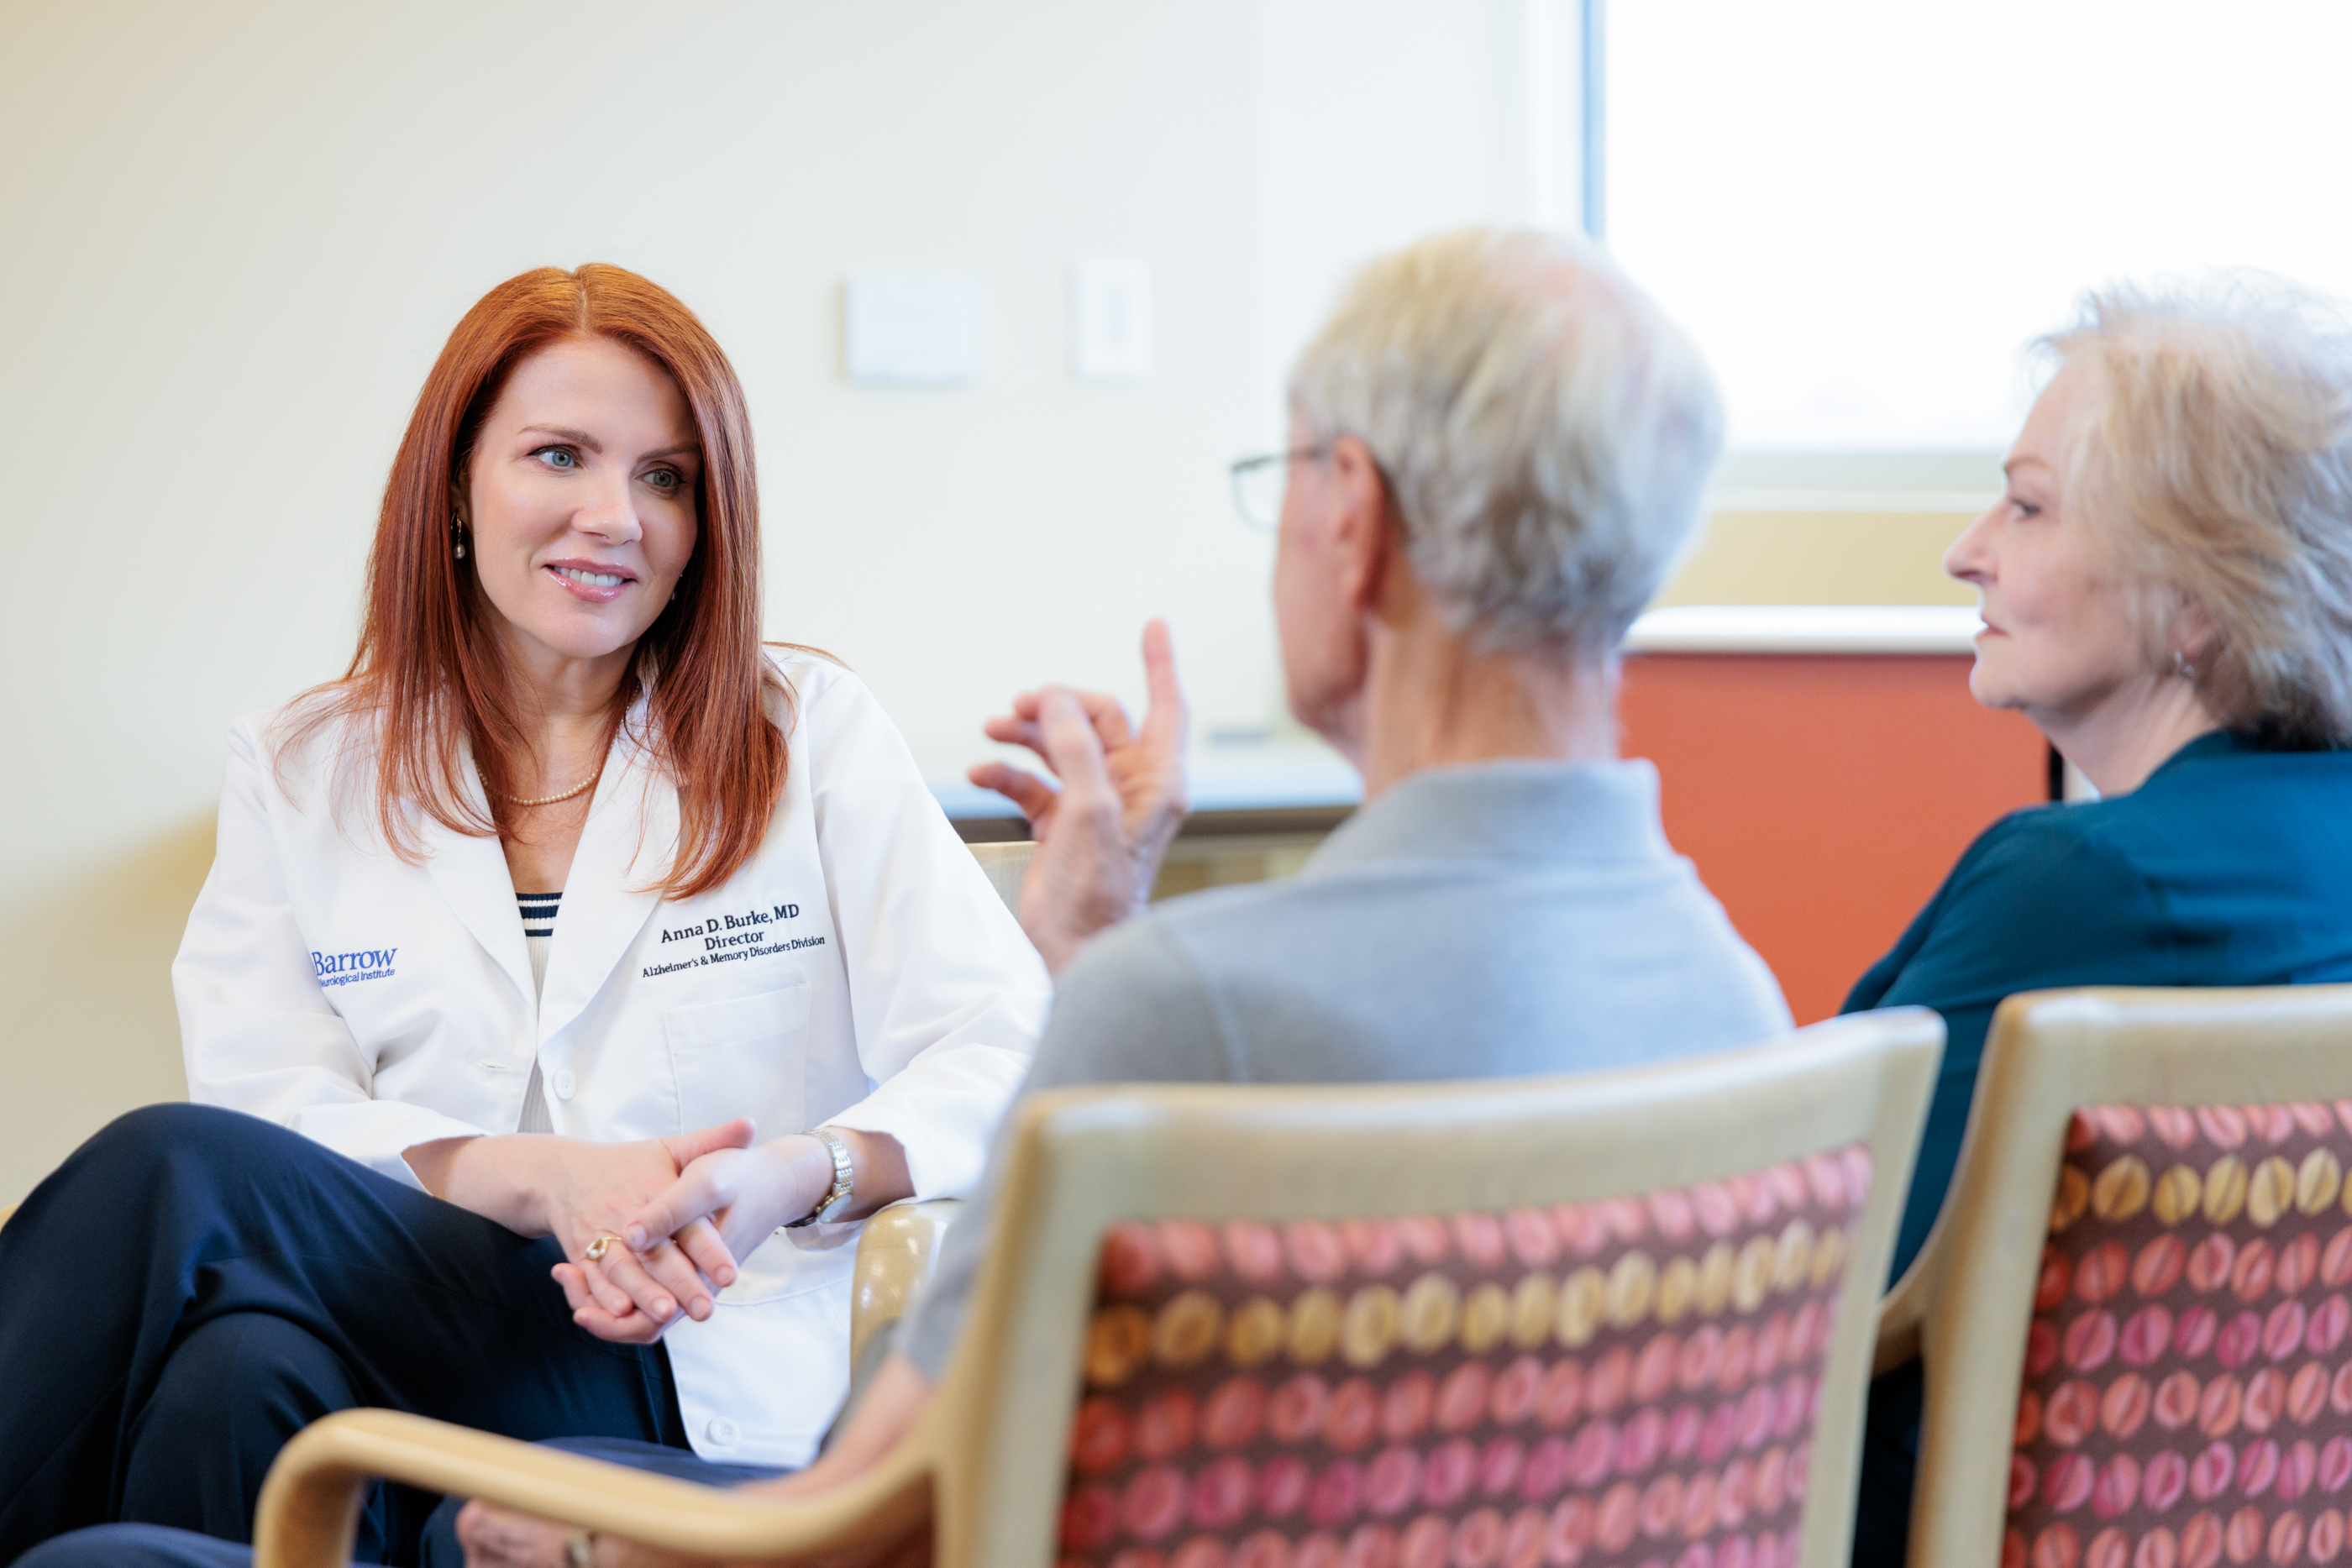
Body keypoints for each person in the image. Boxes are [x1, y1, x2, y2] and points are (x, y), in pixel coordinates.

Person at [411, 224, 1797, 1568]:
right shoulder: (1741, 1001)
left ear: (1353, 521)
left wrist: (591, 1543)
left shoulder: (1196, 1012)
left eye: (1287, 475)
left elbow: (878, 1524)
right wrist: (1078, 937)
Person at [0, 265, 1051, 1565]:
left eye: (667, 477)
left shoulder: (807, 735)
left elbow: (1012, 1054)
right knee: (233, 1368)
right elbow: (265, 1105)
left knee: (170, 1174)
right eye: (560, 455)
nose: (614, 517)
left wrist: (793, 1173)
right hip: (404, 1326)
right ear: (454, 484)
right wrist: (543, 1180)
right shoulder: (301, 765)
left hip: (689, 1359)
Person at [1843, 278, 2352, 1565]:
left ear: (2195, 601)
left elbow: (1805, 1236)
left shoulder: (2078, 885)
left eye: (2026, 505)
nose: (1970, 551)